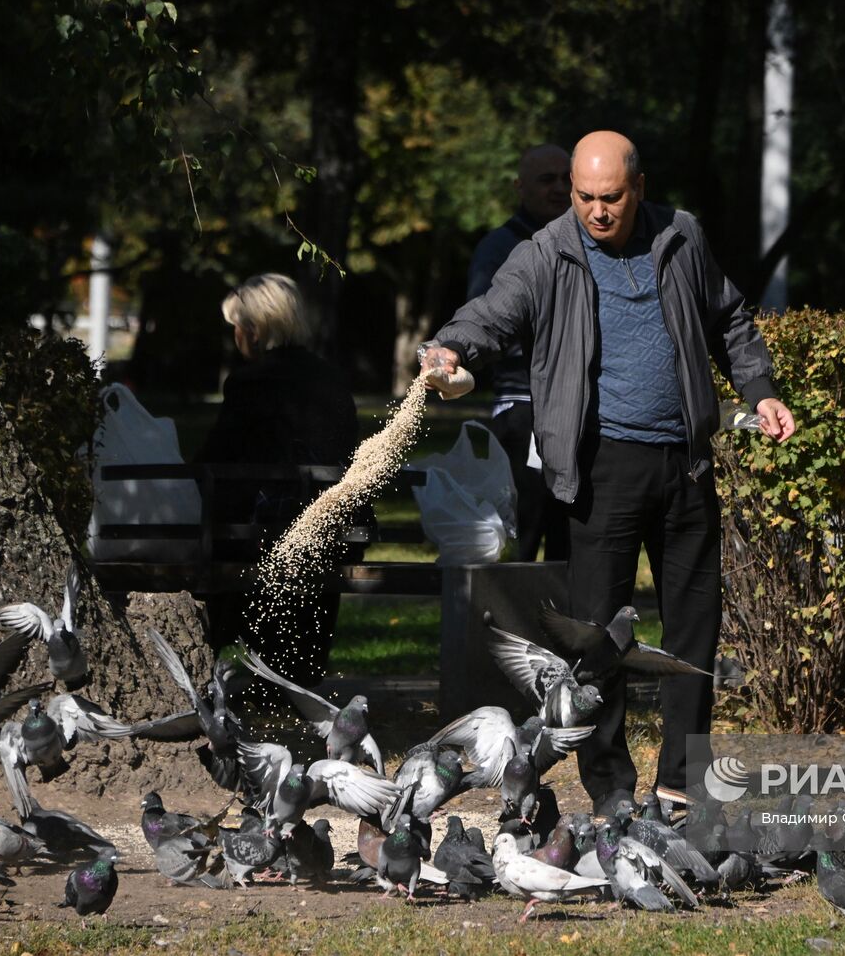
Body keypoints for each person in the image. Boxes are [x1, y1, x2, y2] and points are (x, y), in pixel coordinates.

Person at [421, 130, 797, 816]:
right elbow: (491, 316)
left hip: (684, 463)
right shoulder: (546, 253)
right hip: (601, 469)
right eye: (585, 196)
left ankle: (681, 783)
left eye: (611, 198)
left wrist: (759, 387)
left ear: (639, 188)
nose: (597, 211)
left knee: (695, 630)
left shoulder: (680, 237)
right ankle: (611, 789)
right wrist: (448, 349)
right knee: (596, 640)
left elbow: (731, 316)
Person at [195, 273, 359, 685]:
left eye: (236, 325)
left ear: (253, 329)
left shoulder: (250, 384)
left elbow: (215, 461)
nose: (234, 335)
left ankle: (237, 661)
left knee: (220, 530)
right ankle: (297, 671)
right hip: (332, 535)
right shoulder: (332, 378)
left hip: (265, 537)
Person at [466, 144, 573, 561]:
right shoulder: (499, 248)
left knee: (570, 541)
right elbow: (483, 327)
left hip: (575, 412)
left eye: (567, 178)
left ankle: (566, 625)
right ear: (520, 187)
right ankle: (515, 624)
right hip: (522, 410)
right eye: (547, 180)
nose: (559, 189)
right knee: (523, 536)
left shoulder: (587, 241)